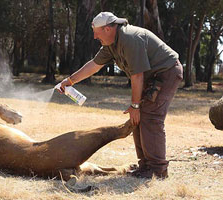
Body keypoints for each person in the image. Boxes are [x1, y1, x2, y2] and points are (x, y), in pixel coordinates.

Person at [58, 12, 183, 179]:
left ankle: (158, 170)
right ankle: (145, 166)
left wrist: (135, 105)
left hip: (166, 73)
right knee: (137, 120)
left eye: (96, 32)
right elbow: (94, 65)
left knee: (151, 118)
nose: (95, 36)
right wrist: (70, 81)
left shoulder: (130, 39)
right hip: (152, 77)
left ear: (108, 29)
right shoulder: (111, 44)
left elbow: (137, 76)